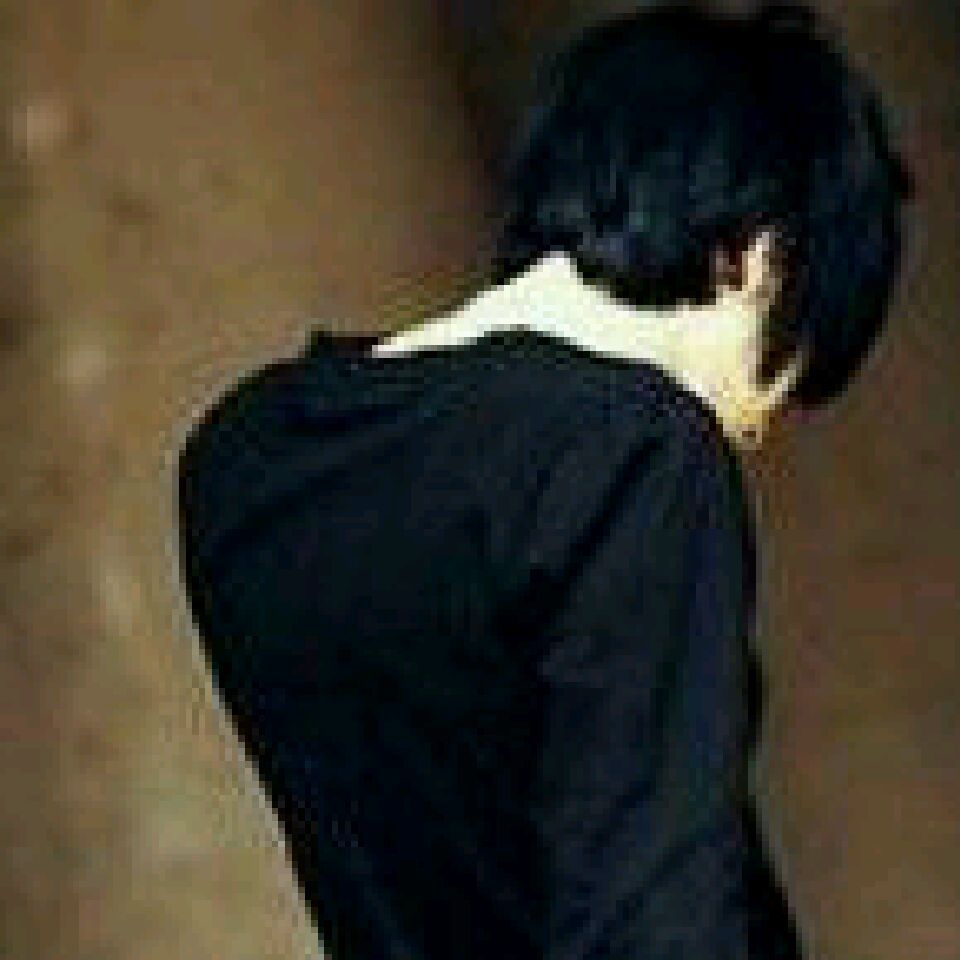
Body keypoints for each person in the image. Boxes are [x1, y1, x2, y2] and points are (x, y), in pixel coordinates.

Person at [176, 2, 913, 958]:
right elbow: (655, 919)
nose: (751, 429)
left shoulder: (255, 455)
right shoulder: (632, 454)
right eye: (778, 376)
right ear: (755, 260)